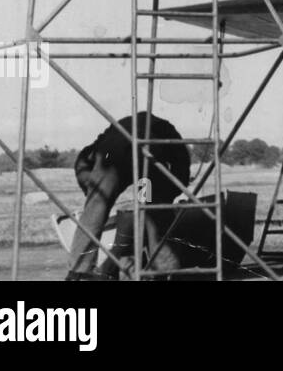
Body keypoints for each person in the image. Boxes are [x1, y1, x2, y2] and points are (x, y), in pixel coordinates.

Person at [66, 112, 191, 279]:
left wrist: (92, 194)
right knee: (152, 209)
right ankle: (164, 269)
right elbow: (181, 163)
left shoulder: (106, 137)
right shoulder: (164, 128)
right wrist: (167, 195)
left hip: (112, 155)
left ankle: (79, 272)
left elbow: (83, 162)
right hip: (145, 157)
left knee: (97, 206)